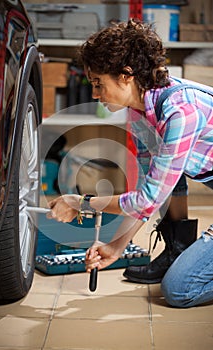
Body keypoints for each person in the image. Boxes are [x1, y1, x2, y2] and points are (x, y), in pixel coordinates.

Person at [47, 19, 213, 308]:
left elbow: (146, 200)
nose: (95, 94)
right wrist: (116, 247)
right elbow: (149, 190)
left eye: (99, 84)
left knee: (179, 290)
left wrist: (81, 202)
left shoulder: (180, 113)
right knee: (165, 176)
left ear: (126, 75)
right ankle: (179, 249)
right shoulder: (140, 112)